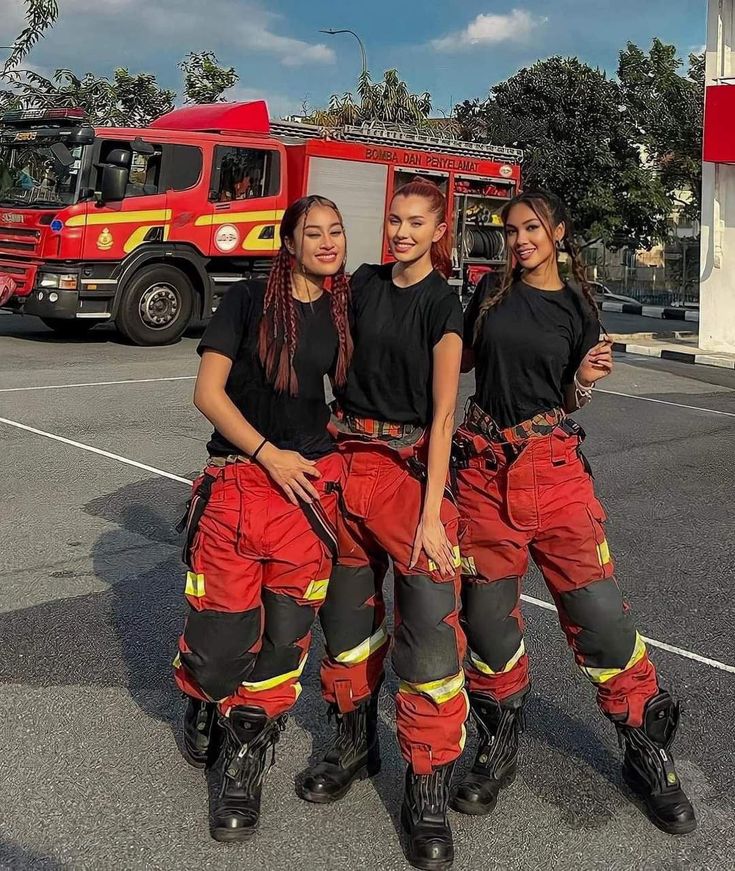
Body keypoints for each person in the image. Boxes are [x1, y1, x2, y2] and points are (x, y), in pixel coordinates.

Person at [452, 189, 696, 835]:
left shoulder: (578, 305)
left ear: (557, 232)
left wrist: (584, 377)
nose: (519, 239)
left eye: (531, 227)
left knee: (601, 620)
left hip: (554, 475)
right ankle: (497, 740)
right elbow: (448, 362)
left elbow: (568, 396)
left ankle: (644, 748)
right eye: (510, 230)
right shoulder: (487, 296)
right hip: (480, 474)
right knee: (485, 624)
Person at [297, 178, 467, 871]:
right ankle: (352, 739)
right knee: (345, 621)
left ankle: (425, 781)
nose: (398, 231)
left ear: (437, 229)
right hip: (346, 463)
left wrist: (430, 515)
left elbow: (444, 414)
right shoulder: (360, 284)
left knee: (428, 631)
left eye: (414, 222)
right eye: (393, 219)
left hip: (407, 475)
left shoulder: (442, 303)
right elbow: (302, 304)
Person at [173, 194, 352, 842]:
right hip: (241, 488)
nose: (328, 240)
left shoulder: (342, 313)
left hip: (310, 499)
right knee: (220, 654)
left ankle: (245, 758)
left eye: (336, 230)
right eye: (314, 231)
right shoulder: (246, 301)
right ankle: (202, 691)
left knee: (283, 644)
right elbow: (207, 392)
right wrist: (268, 453)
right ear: (288, 241)